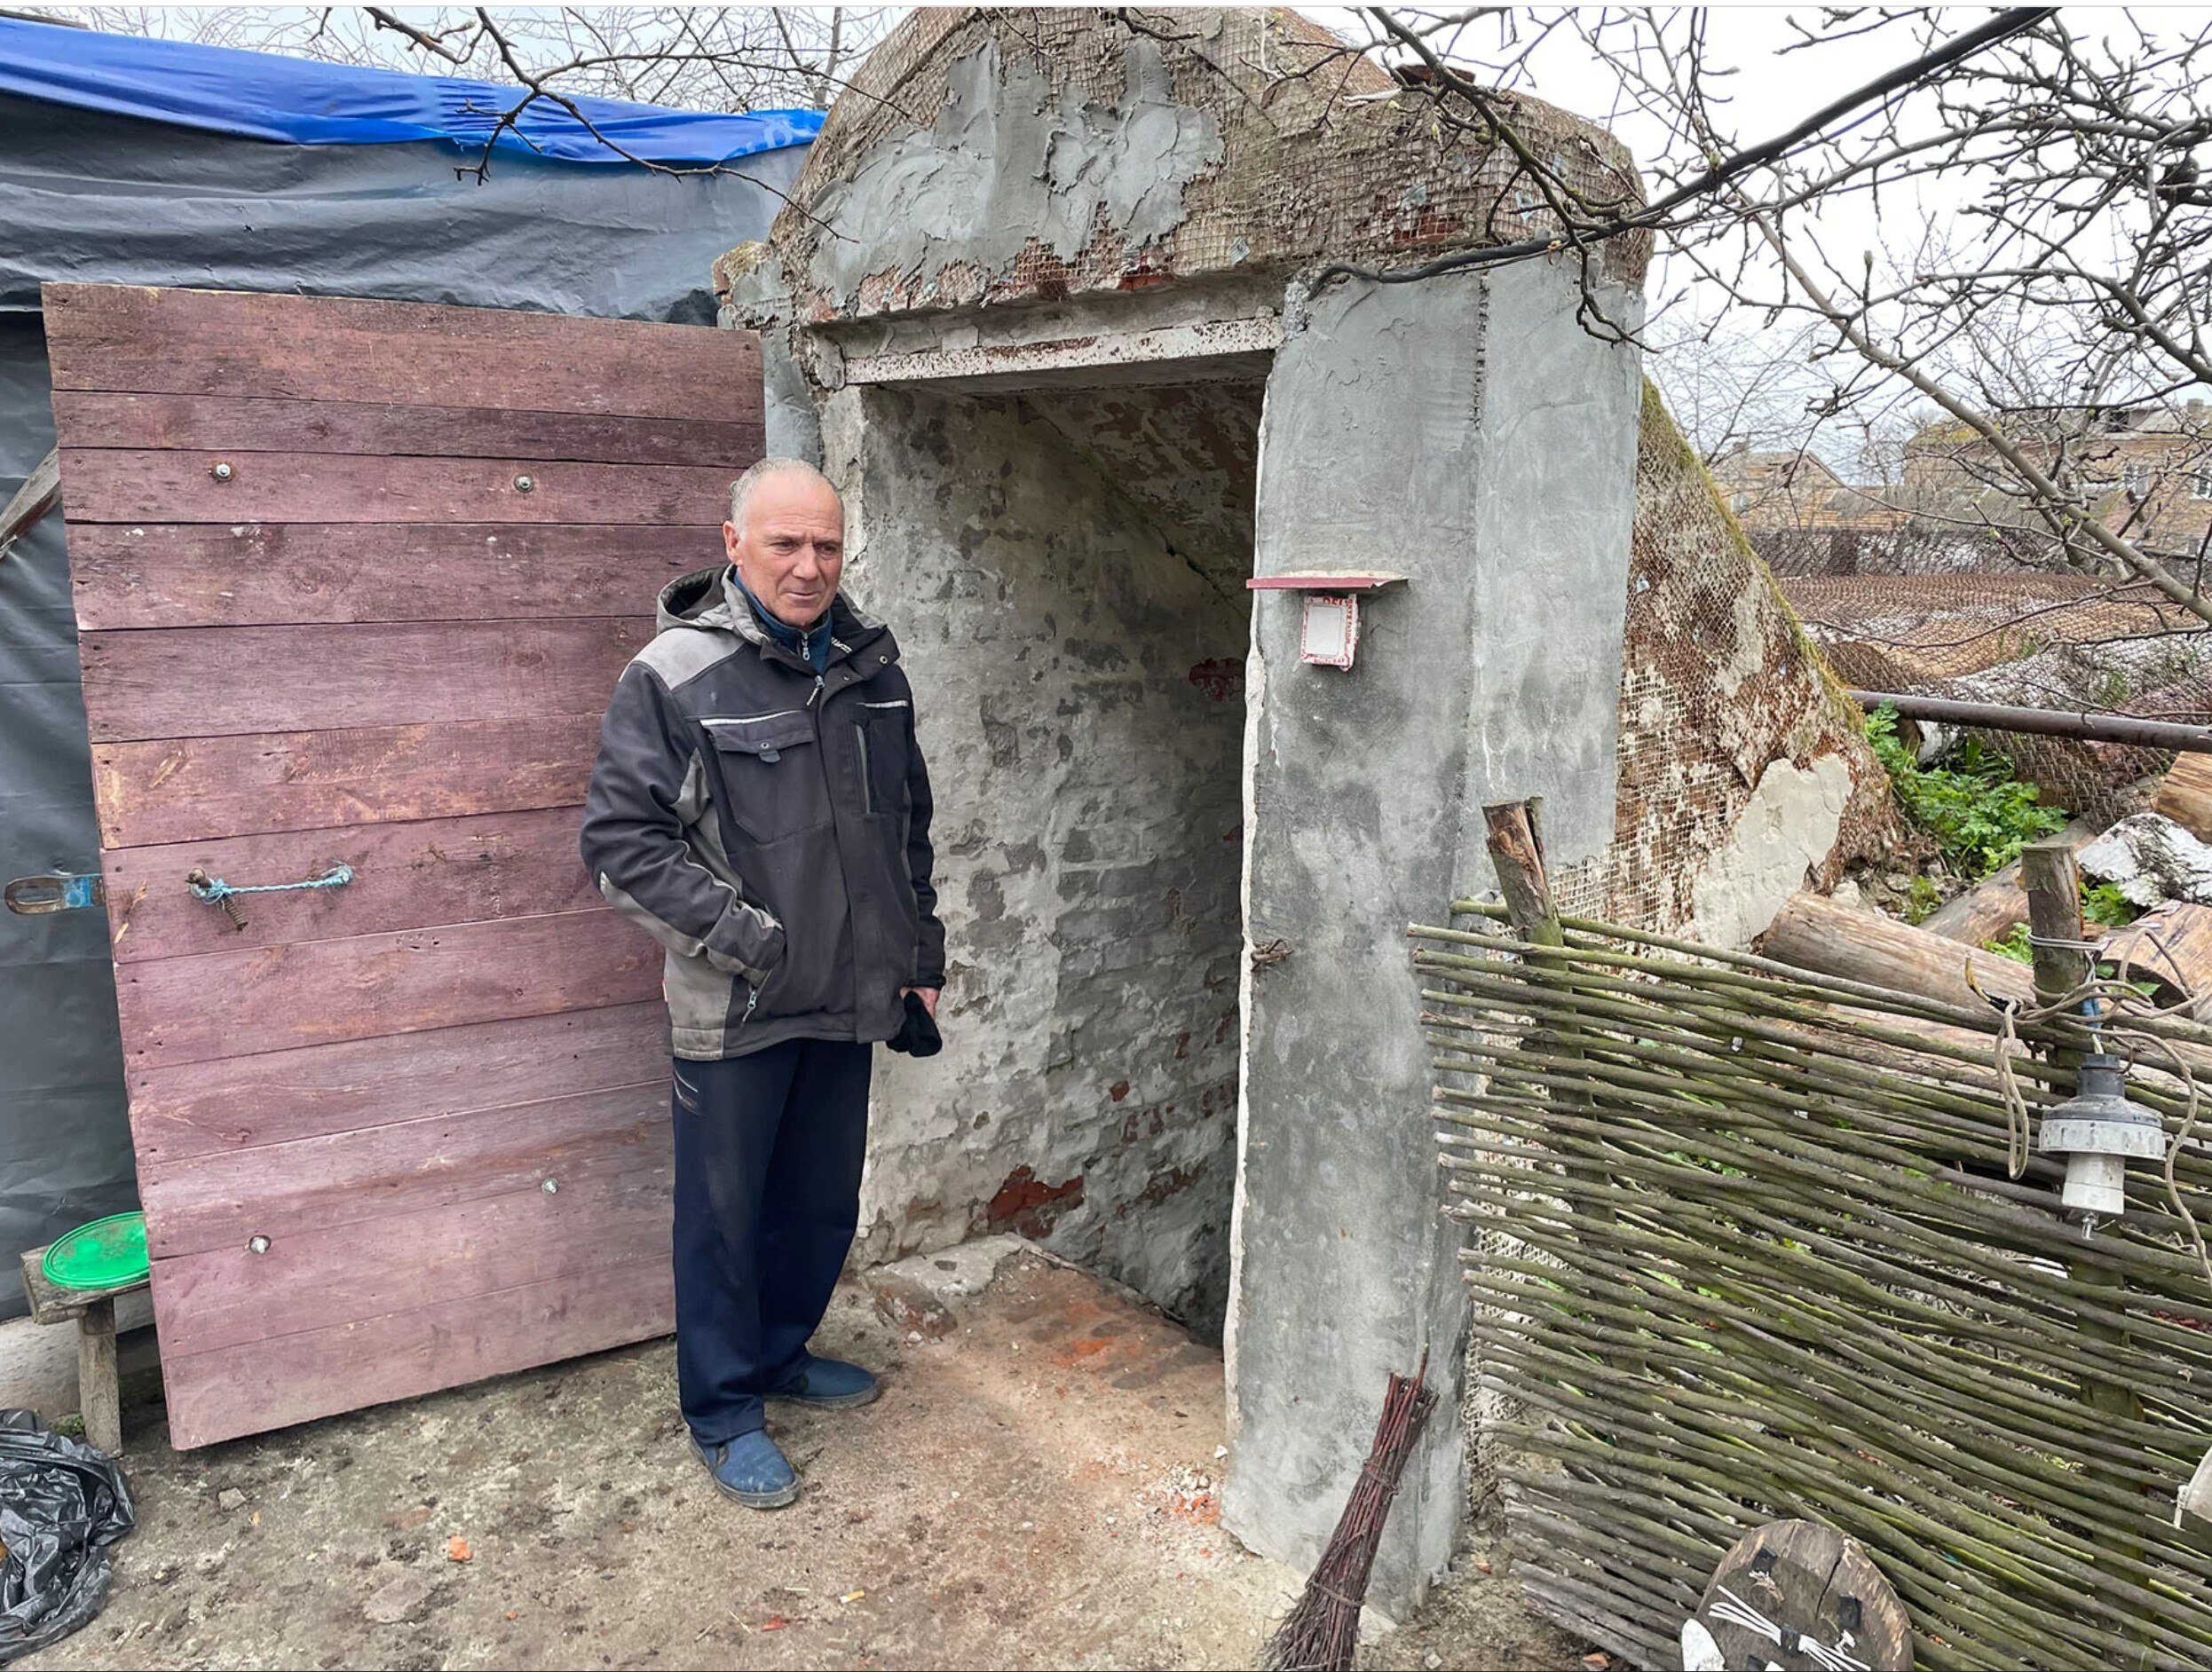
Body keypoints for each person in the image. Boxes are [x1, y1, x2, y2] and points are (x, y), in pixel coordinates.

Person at [580, 457, 944, 1509]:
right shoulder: (674, 674)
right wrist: (756, 941)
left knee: (816, 1202)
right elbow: (621, 847)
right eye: (784, 543)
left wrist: (916, 961)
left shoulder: (872, 665)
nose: (808, 565)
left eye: (826, 544)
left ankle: (782, 1353)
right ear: (732, 544)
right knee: (724, 1216)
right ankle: (726, 1409)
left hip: (852, 993)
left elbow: (904, 829)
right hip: (738, 1002)